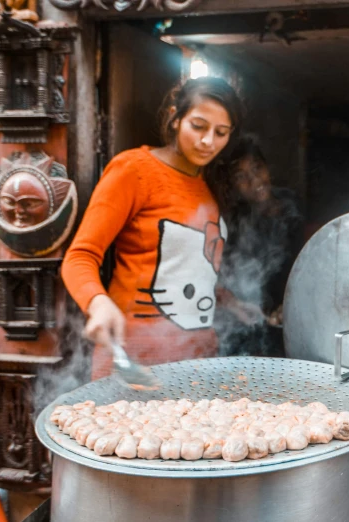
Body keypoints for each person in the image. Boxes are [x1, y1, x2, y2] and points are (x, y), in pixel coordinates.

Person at [62, 77, 258, 380]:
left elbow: (187, 267)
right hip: (135, 358)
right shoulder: (134, 170)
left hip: (199, 357)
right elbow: (80, 256)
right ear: (175, 118)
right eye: (198, 126)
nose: (208, 141)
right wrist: (97, 302)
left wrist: (230, 302)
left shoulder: (208, 186)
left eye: (221, 133)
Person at [215, 135, 303, 357]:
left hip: (292, 320)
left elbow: (315, 267)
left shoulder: (296, 211)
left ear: (267, 168)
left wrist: (291, 305)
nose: (254, 181)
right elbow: (222, 276)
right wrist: (235, 303)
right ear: (233, 185)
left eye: (257, 168)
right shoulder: (235, 223)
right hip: (248, 322)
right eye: (241, 176)